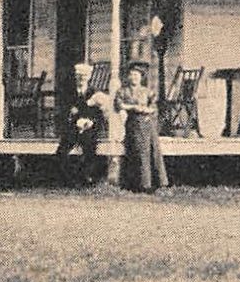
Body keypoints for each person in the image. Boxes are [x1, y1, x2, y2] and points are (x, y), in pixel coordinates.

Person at [114, 60, 168, 192]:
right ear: (128, 77)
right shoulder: (123, 91)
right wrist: (133, 107)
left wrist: (146, 110)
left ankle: (157, 183)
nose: (134, 77)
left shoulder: (147, 91)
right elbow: (119, 105)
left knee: (152, 150)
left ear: (141, 77)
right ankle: (141, 184)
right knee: (139, 151)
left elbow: (154, 107)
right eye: (131, 75)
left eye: (137, 75)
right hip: (133, 123)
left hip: (147, 123)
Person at [55, 63, 110, 185]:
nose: (81, 79)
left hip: (90, 125)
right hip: (73, 125)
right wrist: (74, 119)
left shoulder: (94, 93)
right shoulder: (69, 92)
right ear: (75, 77)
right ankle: (68, 178)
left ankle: (87, 176)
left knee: (89, 145)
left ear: (89, 77)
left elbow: (99, 113)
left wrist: (91, 121)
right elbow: (64, 110)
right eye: (79, 76)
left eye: (84, 76)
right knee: (62, 149)